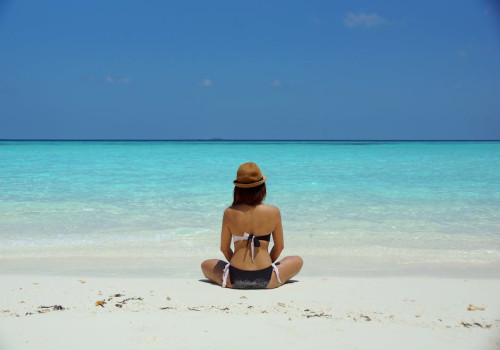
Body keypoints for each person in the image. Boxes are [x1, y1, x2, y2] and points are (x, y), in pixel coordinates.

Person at [201, 162, 303, 289]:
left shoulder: (230, 212)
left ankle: (235, 274)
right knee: (297, 260)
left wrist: (240, 264)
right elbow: (279, 246)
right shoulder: (273, 211)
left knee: (205, 264)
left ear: (237, 189)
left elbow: (224, 248)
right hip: (266, 277)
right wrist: (266, 263)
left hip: (234, 278)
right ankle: (267, 272)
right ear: (262, 188)